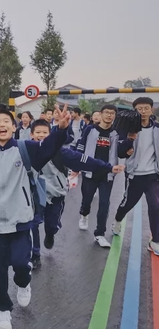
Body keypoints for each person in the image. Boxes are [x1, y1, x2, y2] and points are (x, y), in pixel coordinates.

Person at [0, 105, 71, 329]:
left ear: (13, 126)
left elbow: (49, 148)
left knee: (20, 263)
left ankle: (23, 283)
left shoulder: (25, 148)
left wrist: (60, 130)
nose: (2, 125)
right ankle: (2, 309)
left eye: (6, 121)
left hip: (21, 219)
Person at [29, 119, 124, 268]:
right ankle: (35, 255)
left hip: (55, 196)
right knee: (32, 224)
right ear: (31, 135)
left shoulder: (61, 153)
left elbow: (84, 160)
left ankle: (50, 234)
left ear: (51, 135)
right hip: (33, 197)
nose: (41, 135)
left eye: (45, 133)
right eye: (38, 132)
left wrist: (108, 167)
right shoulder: (27, 151)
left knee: (51, 225)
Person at [113, 97, 159, 255]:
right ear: (135, 111)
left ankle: (155, 241)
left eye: (146, 108)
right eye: (140, 109)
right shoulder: (128, 129)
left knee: (155, 206)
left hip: (152, 174)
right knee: (127, 204)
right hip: (134, 174)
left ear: (152, 109)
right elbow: (120, 152)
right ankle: (118, 220)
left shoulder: (157, 128)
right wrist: (128, 141)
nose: (143, 111)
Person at [75, 104, 120, 248]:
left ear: (115, 116)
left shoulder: (116, 133)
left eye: (112, 113)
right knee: (87, 200)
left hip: (107, 174)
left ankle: (99, 234)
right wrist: (77, 166)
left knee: (104, 204)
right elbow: (81, 146)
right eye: (106, 112)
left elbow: (122, 150)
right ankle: (84, 214)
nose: (109, 115)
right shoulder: (90, 129)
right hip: (90, 172)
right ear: (100, 114)